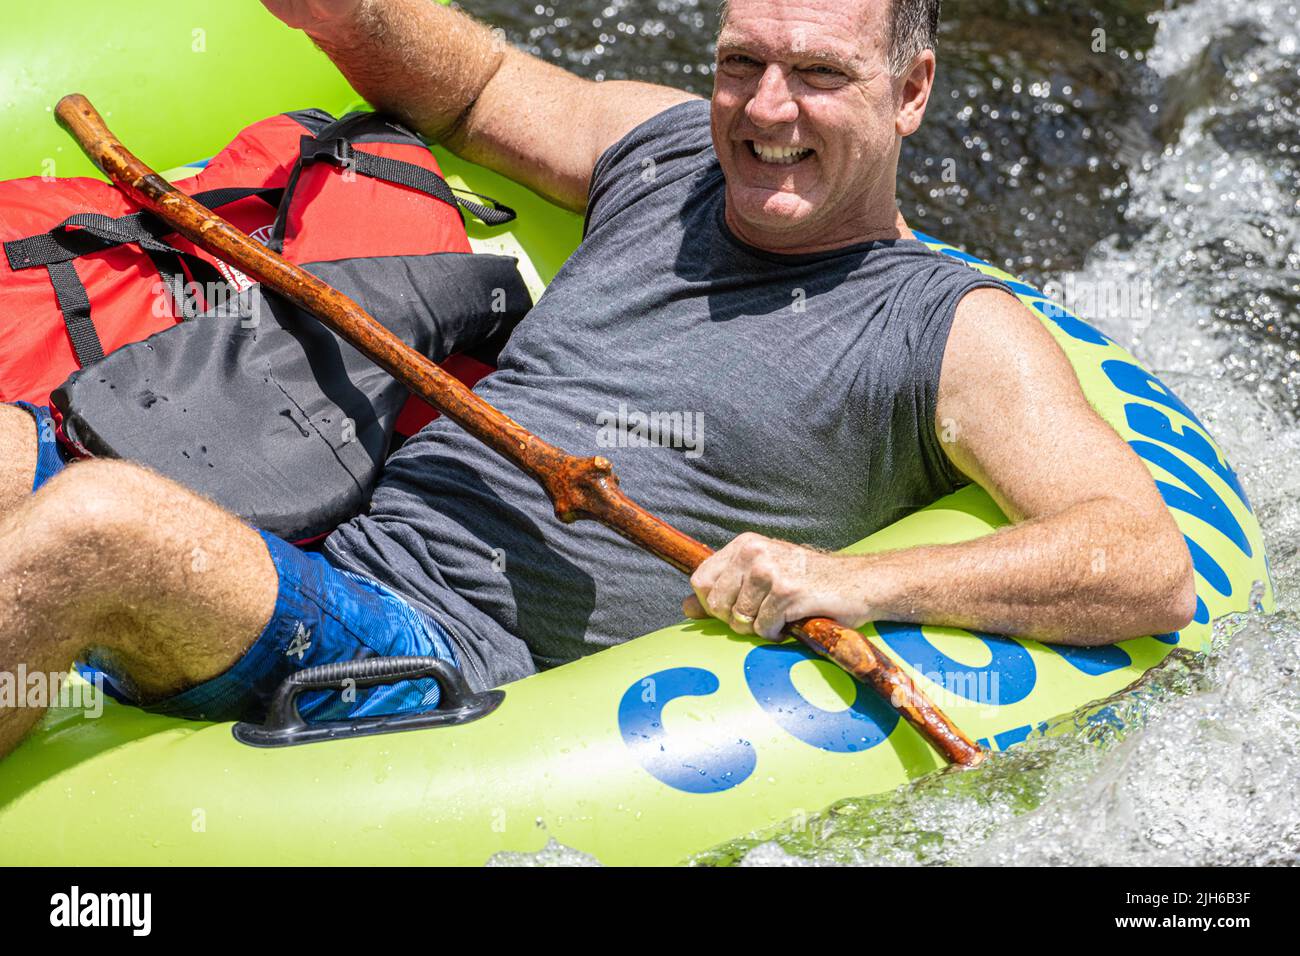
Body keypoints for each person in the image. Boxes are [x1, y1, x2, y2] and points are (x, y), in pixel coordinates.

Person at [0, 0, 1195, 758]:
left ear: (913, 90)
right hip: (326, 537)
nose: (767, 110)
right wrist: (347, 13)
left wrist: (852, 580)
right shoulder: (672, 152)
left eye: (820, 76)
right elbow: (475, 88)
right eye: (742, 63)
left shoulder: (944, 330)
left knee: (101, 525)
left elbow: (1144, 561)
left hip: (428, 662)